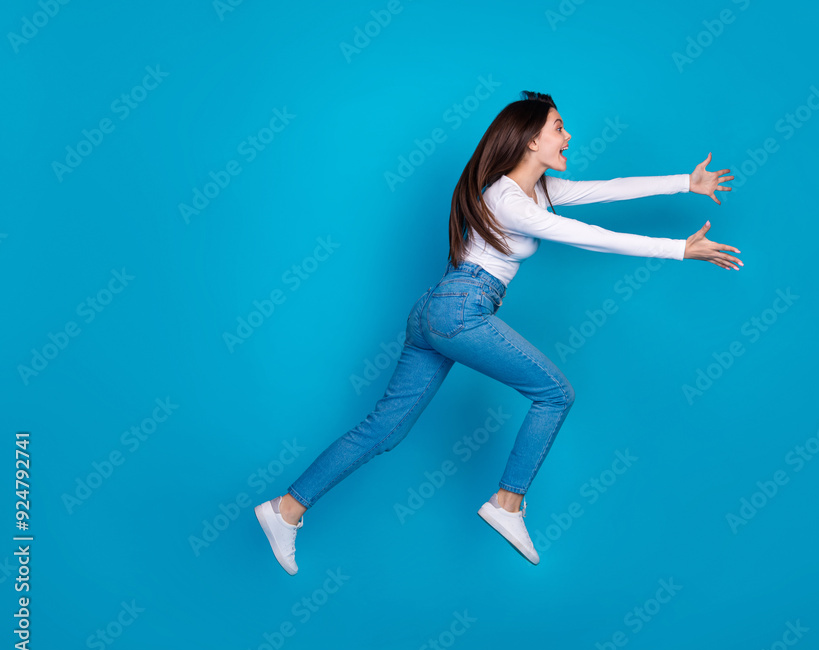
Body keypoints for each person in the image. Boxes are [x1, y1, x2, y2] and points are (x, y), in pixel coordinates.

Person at [255, 90, 740, 574]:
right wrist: (678, 249)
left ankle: (285, 510)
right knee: (555, 394)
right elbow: (591, 237)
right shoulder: (507, 199)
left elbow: (607, 189)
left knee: (385, 430)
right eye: (558, 127)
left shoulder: (537, 191)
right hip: (460, 309)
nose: (568, 136)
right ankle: (507, 504)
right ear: (530, 139)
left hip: (437, 309)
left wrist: (684, 182)